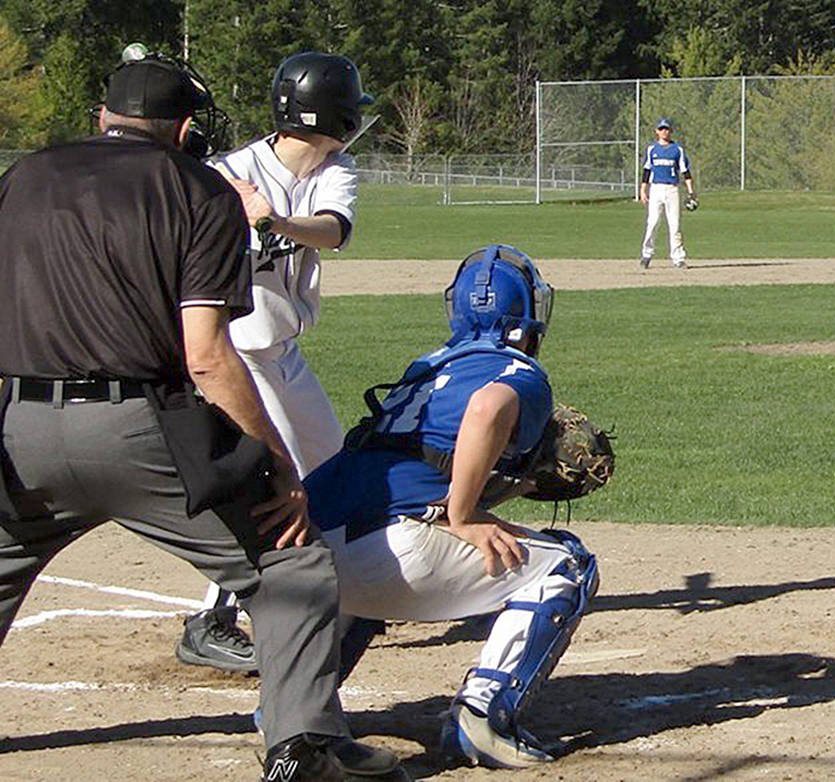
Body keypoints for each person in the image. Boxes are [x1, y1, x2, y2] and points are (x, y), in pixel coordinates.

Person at [0, 54, 405, 780]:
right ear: (185, 127)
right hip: (139, 429)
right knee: (292, 562)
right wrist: (273, 461)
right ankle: (302, 749)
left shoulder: (23, 177)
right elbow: (209, 357)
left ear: (102, 116)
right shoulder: (198, 189)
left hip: (16, 427)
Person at [303, 244, 599, 769]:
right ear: (530, 315)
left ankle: (300, 709)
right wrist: (463, 515)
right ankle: (484, 716)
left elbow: (425, 460)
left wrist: (510, 492)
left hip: (314, 549)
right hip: (393, 552)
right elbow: (487, 409)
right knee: (570, 563)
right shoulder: (521, 373)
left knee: (368, 568)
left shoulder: (423, 369)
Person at [176, 51, 372, 674]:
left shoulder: (335, 169)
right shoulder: (228, 172)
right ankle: (213, 616)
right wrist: (219, 199)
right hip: (234, 354)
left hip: (281, 352)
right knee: (272, 485)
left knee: (332, 467)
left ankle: (355, 590)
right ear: (330, 112)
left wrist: (274, 218)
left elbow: (333, 230)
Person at [639, 117, 695, 269]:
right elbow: (646, 170)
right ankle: (646, 254)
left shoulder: (677, 150)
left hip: (672, 189)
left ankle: (678, 258)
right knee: (653, 223)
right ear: (656, 131)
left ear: (670, 131)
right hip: (656, 188)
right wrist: (643, 190)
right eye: (661, 129)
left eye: (667, 129)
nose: (664, 131)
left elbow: (686, 172)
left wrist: (691, 193)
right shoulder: (652, 149)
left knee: (674, 225)